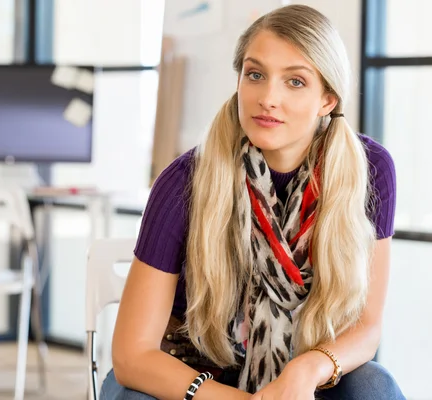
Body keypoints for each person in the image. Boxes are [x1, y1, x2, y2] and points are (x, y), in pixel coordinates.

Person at [101, 4, 405, 400]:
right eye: (255, 75)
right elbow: (132, 355)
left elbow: (366, 326)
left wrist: (306, 370)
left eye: (295, 82)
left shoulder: (369, 171)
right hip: (195, 375)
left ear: (328, 99)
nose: (268, 98)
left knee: (373, 384)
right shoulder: (184, 182)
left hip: (300, 379)